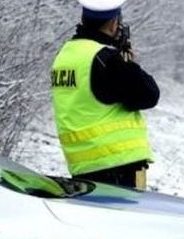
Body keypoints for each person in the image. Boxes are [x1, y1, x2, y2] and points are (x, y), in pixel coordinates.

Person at [51, 0, 160, 190]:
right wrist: (128, 62)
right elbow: (149, 94)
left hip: (82, 165)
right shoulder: (104, 60)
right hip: (116, 165)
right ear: (113, 23)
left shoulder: (65, 55)